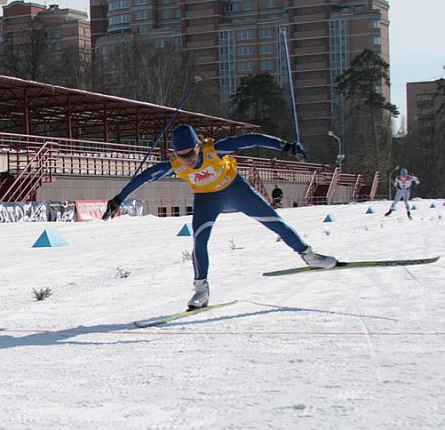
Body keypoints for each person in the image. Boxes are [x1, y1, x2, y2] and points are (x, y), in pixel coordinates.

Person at [102, 124, 337, 310]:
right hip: (207, 199)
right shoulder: (176, 165)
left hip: (236, 190)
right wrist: (118, 199)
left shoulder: (213, 150)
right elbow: (145, 176)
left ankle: (309, 256)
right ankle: (201, 290)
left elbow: (250, 139)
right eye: (182, 157)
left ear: (197, 146)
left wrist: (286, 146)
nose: (189, 161)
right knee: (199, 241)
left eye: (191, 154)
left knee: (276, 224)